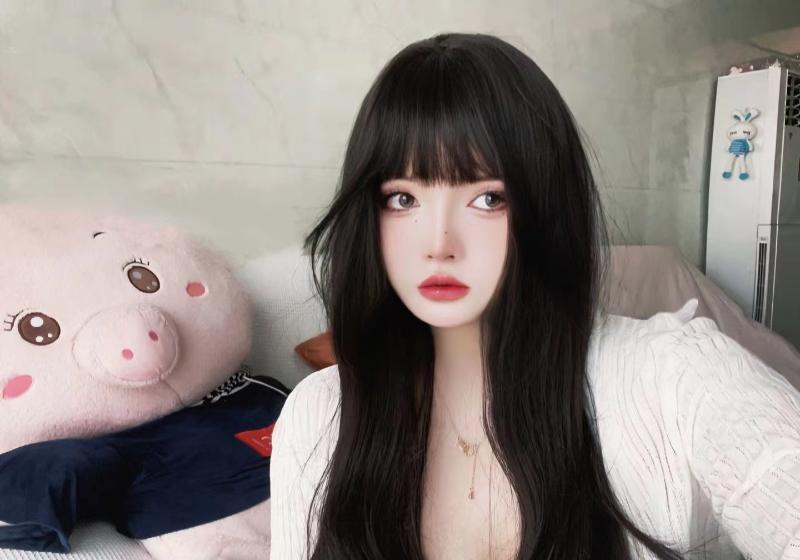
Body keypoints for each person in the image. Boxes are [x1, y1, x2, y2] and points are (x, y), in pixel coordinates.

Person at [269, 33, 800, 559]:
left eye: (488, 198)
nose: (439, 243)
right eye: (403, 198)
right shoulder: (318, 418)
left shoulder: (674, 377)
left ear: (545, 209)